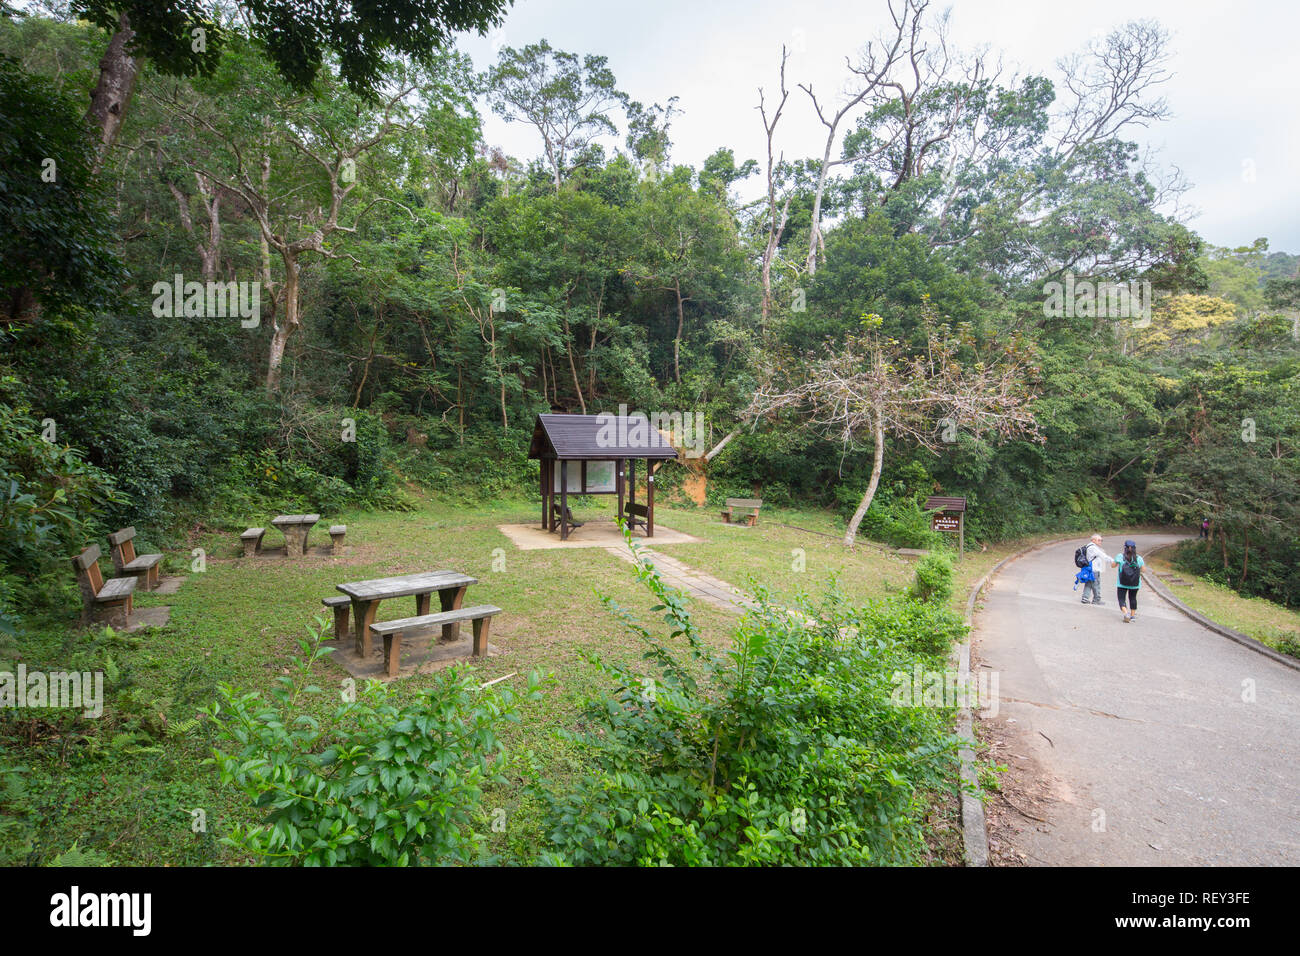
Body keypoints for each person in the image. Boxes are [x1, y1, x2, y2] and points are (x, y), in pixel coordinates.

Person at [1111, 540, 1145, 623]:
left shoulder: (1120, 556)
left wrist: (1116, 562)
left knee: (1121, 598)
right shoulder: (1139, 558)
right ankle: (1132, 616)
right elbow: (1143, 570)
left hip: (1122, 583)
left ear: (1125, 548)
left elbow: (1113, 566)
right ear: (1134, 548)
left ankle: (1126, 613)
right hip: (1135, 583)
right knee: (1133, 598)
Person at [1081, 533, 1105, 605]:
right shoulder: (1093, 548)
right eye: (1099, 540)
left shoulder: (1089, 546)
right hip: (1093, 568)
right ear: (1093, 540)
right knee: (1096, 583)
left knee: (1089, 582)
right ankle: (1096, 599)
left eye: (1101, 540)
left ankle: (1085, 598)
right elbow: (1103, 557)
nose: (1100, 541)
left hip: (1088, 567)